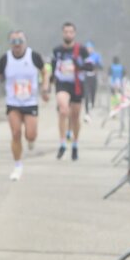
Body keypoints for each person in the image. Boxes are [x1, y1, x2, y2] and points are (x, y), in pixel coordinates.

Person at [0, 30, 49, 180]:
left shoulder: (33, 56)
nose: (17, 44)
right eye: (14, 41)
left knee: (30, 135)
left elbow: (45, 72)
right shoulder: (5, 59)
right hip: (13, 102)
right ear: (10, 43)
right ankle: (17, 165)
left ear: (25, 42)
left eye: (20, 41)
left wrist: (45, 87)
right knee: (15, 133)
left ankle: (31, 141)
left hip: (30, 102)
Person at [50, 21, 91, 161]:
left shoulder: (82, 50)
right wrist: (47, 85)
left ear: (74, 33)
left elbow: (90, 66)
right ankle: (62, 143)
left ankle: (75, 144)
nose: (68, 34)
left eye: (71, 32)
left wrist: (80, 65)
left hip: (77, 85)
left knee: (75, 116)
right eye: (66, 32)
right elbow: (53, 67)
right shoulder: (57, 50)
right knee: (63, 110)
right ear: (62, 33)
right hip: (62, 84)